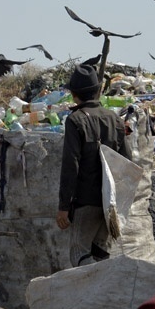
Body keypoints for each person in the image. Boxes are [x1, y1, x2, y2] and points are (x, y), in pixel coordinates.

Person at [56, 64, 133, 266]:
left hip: (86, 200)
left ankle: (87, 295)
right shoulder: (115, 119)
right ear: (98, 90)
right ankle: (106, 294)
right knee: (101, 254)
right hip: (109, 203)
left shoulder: (75, 120)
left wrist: (64, 206)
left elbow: (70, 164)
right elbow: (127, 161)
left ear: (73, 94)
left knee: (79, 255)